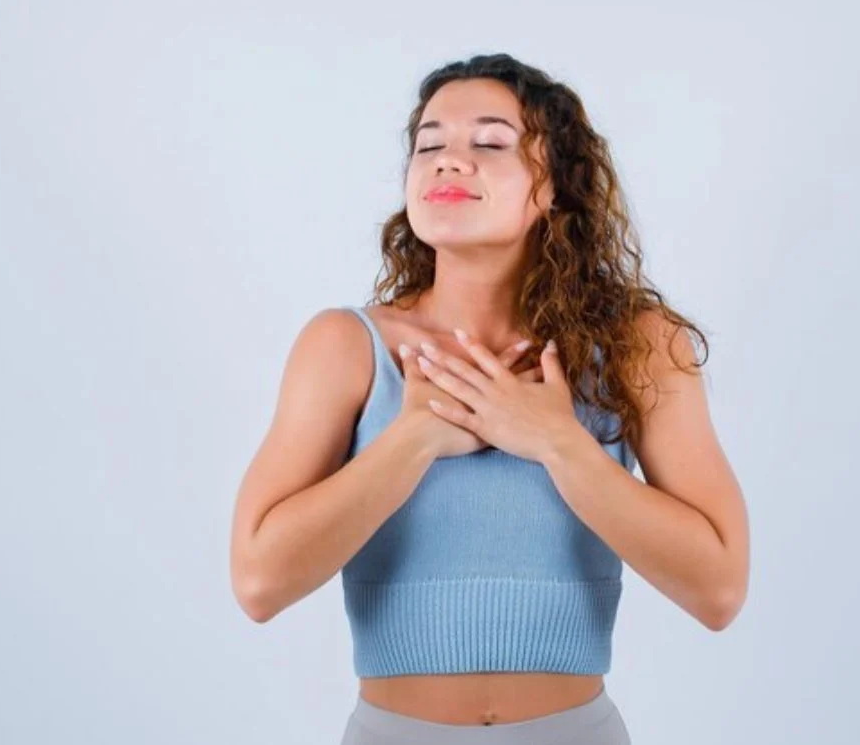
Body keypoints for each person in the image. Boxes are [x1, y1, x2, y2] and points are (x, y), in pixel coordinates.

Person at [229, 53, 750, 743]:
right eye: (429, 145)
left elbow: (719, 589)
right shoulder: (346, 346)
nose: (449, 160)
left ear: (554, 185)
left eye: (491, 142)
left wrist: (559, 444)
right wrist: (414, 438)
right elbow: (259, 582)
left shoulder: (638, 345)